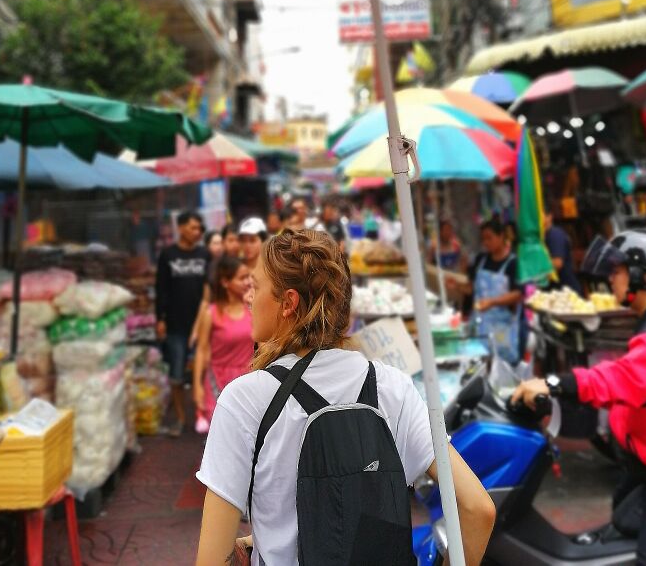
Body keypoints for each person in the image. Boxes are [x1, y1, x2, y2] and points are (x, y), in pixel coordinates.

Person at [196, 228, 495, 566]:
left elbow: (212, 559)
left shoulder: (245, 400)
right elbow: (478, 510)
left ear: (288, 302)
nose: (249, 298)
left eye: (257, 287)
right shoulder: (391, 387)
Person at [513, 230, 646, 566]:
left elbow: (618, 378)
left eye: (617, 270)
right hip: (640, 468)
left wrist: (553, 382)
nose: (610, 279)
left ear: (643, 276)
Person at [155, 211, 210, 437]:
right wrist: (160, 319)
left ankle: (203, 415)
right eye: (193, 227)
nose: (197, 232)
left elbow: (209, 290)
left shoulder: (205, 254)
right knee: (176, 376)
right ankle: (179, 418)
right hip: (175, 326)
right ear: (181, 228)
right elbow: (161, 289)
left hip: (203, 325)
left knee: (204, 373)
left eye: (199, 228)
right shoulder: (168, 255)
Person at [193, 256, 253, 435]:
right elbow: (202, 350)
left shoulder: (252, 309)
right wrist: (197, 386)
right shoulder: (210, 313)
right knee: (221, 436)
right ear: (226, 282)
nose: (248, 282)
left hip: (247, 381)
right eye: (242, 278)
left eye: (248, 277)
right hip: (217, 383)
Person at [454, 219, 522, 363]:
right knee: (478, 363)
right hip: (479, 325)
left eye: (489, 238)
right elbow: (472, 289)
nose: (485, 242)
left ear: (501, 236)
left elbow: (517, 294)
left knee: (500, 366)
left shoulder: (513, 263)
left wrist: (492, 302)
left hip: (502, 328)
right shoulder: (481, 260)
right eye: (483, 239)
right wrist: (456, 286)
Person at [543, 207, 582, 293]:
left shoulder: (555, 234)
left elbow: (557, 263)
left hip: (567, 292)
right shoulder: (543, 237)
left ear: (549, 217)